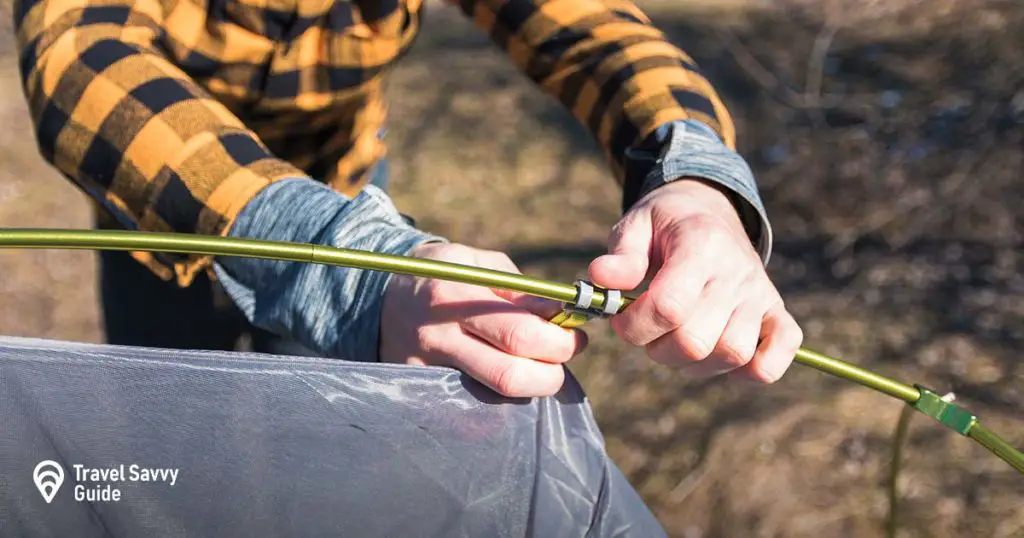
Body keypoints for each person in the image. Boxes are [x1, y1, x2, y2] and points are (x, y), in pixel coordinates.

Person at [14, 0, 803, 398]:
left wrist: (694, 176)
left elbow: (595, 32)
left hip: (351, 186)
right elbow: (78, 54)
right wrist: (348, 270)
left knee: (326, 446)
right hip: (163, 219)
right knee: (165, 440)